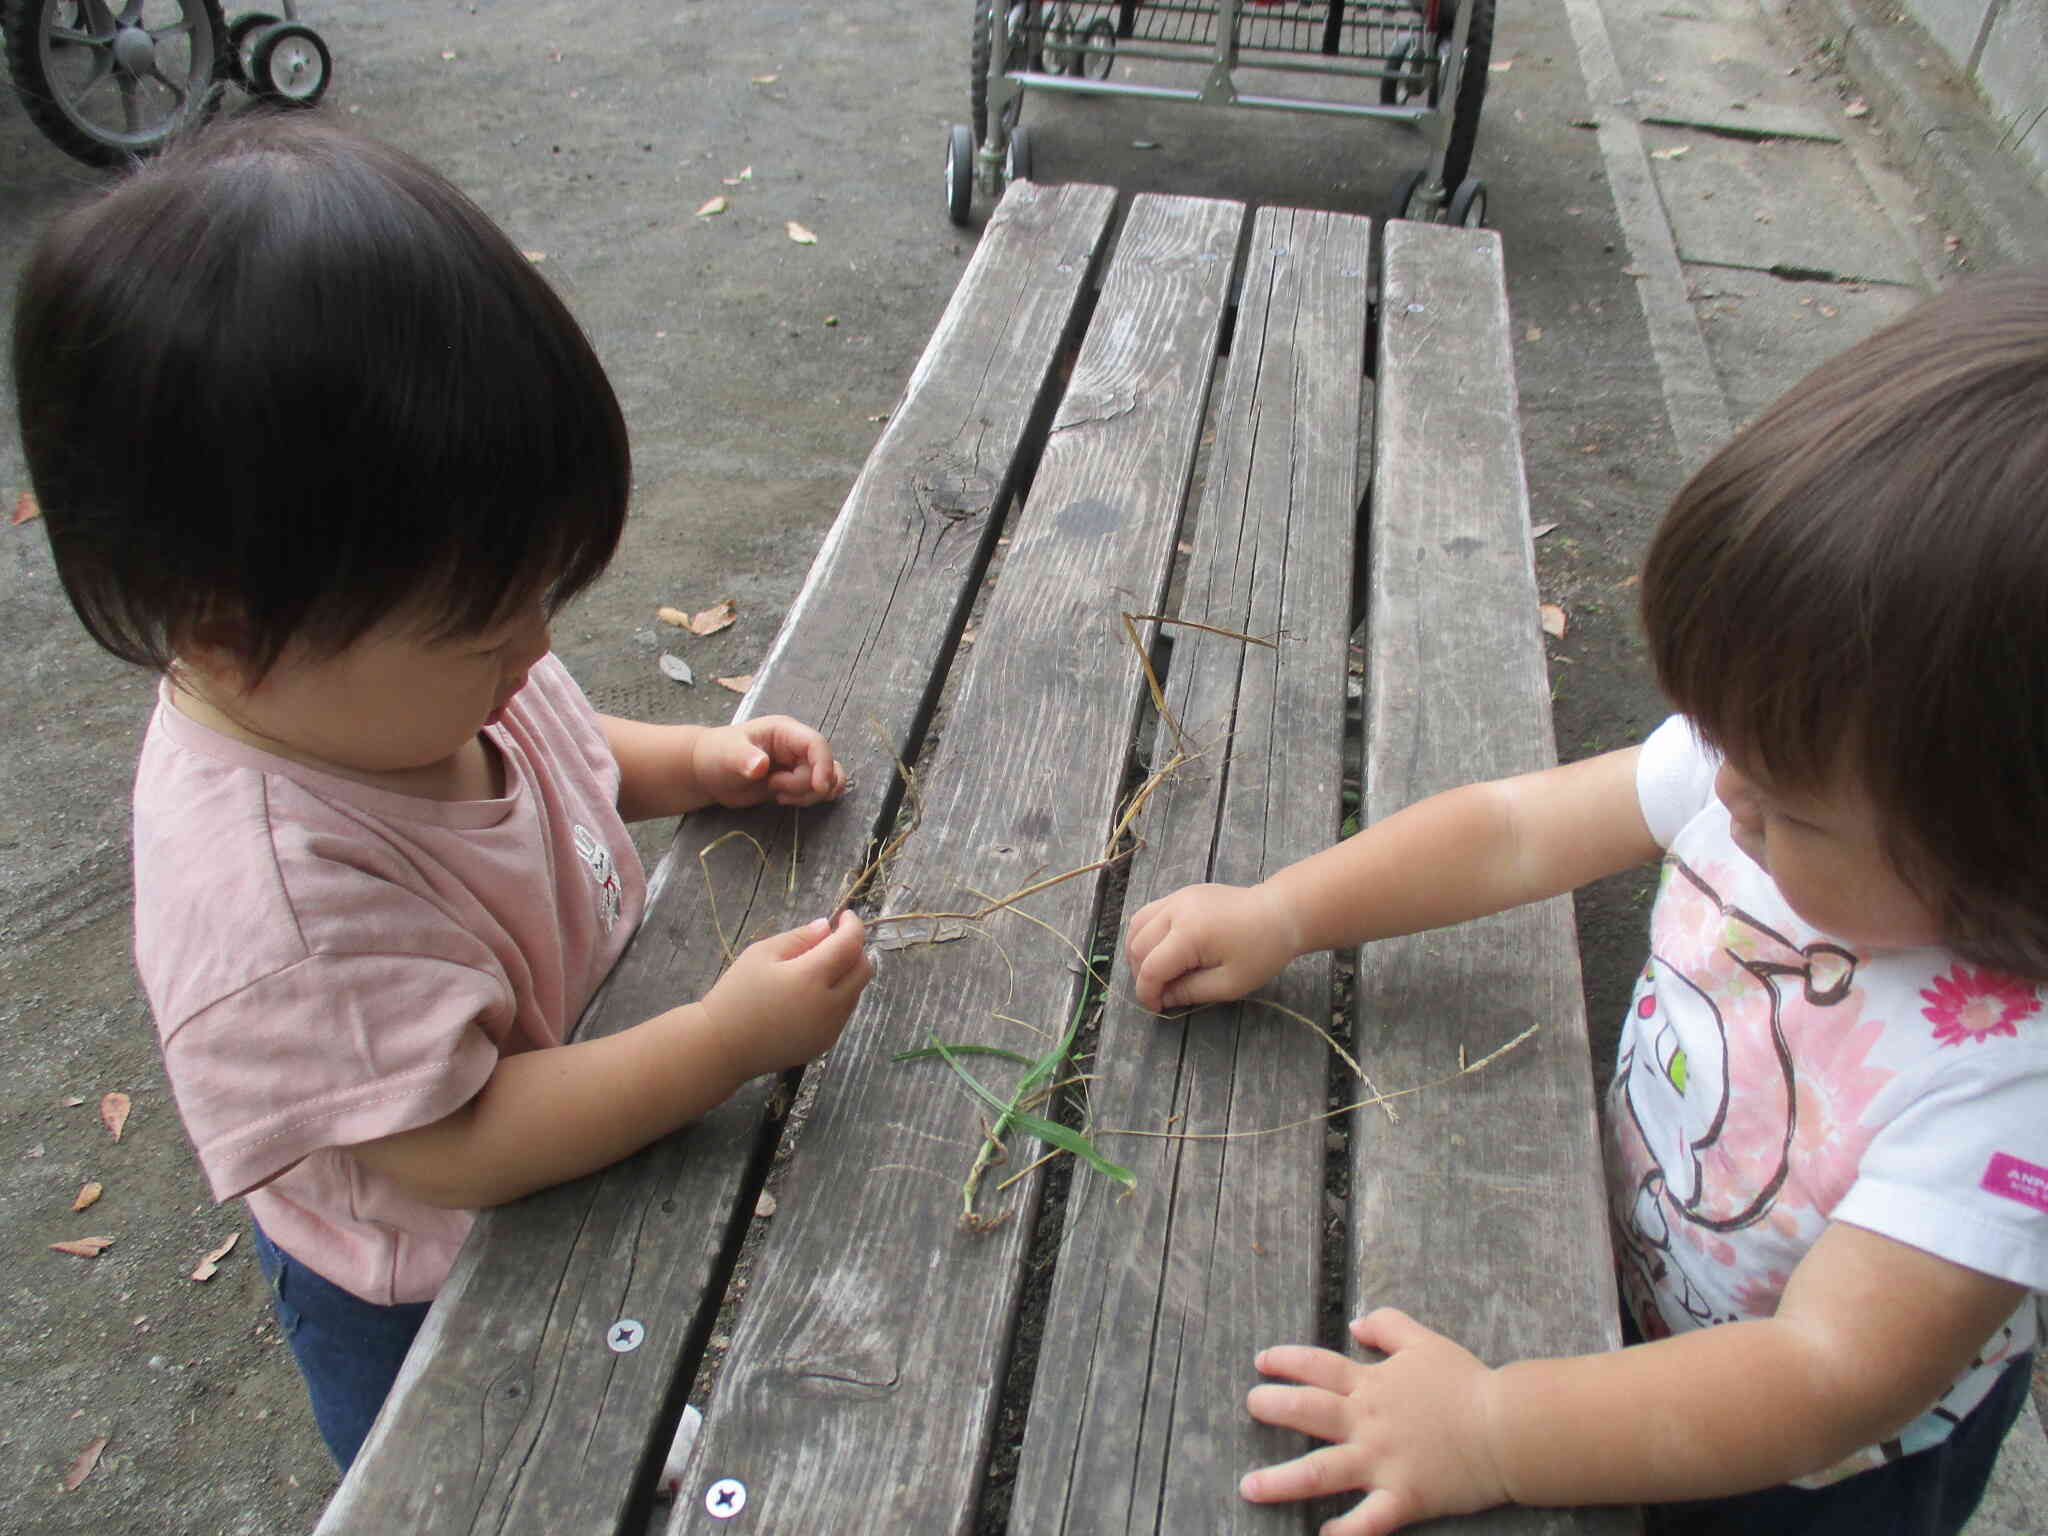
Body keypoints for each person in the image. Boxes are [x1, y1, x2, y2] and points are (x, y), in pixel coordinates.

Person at [11, 115, 873, 1471]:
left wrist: (697, 763)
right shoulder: (277, 904)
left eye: (542, 598)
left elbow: (558, 745)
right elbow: (465, 1142)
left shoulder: (389, 672)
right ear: (231, 626)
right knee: (501, 1474)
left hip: (574, 1125)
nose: (534, 649)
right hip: (438, 1282)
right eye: (493, 627)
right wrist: (726, 1040)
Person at [1125, 271, 2048, 1536]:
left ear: (2004, 854)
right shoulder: (1794, 763)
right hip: (1644, 1278)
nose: (1721, 795)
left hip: (1806, 1478)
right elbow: (1514, 829)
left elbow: (1821, 1378)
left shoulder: (2010, 1088)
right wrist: (1289, 911)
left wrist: (1497, 1429)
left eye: (1784, 809)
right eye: (1721, 745)